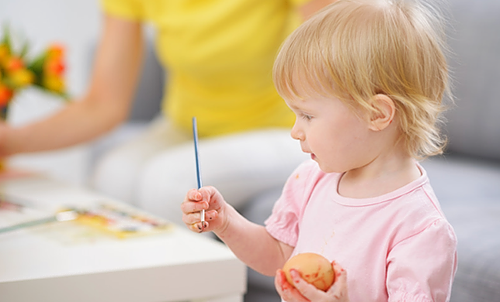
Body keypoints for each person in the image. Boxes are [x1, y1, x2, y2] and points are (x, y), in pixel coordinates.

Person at [181, 0, 458, 301]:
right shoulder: (311, 180)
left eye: (308, 116)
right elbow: (278, 254)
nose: (295, 131)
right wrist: (226, 221)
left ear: (377, 114)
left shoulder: (419, 230)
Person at [0, 0, 336, 225]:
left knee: (169, 185)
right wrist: (9, 142)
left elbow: (334, 63)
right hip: (184, 126)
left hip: (286, 129)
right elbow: (103, 105)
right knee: (111, 177)